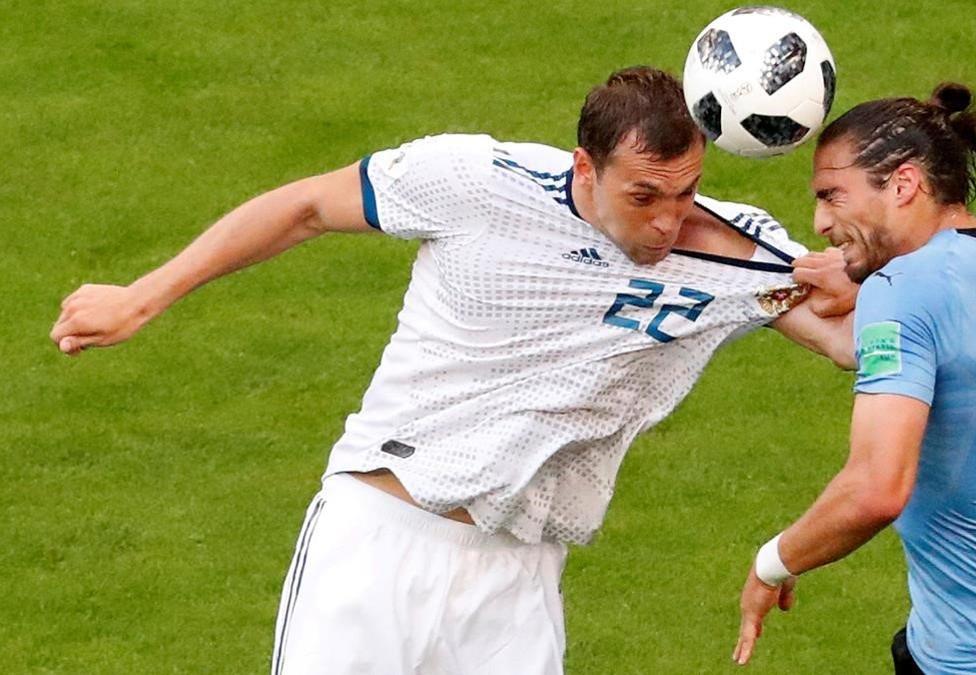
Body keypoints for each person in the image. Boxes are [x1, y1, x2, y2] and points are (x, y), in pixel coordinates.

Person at [51, 66, 855, 673]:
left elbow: (855, 345)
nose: (667, 218)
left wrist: (861, 279)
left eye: (685, 193)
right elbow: (303, 207)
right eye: (644, 195)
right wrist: (142, 296)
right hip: (377, 540)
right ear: (586, 168)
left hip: (520, 571)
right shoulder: (474, 181)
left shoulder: (747, 255)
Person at [732, 83, 976, 674]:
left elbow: (877, 489)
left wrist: (771, 564)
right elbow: (884, 342)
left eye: (834, 196)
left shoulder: (902, 293)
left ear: (903, 184)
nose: (821, 221)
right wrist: (763, 293)